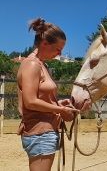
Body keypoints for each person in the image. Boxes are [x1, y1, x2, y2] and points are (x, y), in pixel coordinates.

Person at [17, 17, 79, 171]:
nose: (60, 54)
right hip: (39, 133)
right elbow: (30, 102)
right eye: (58, 49)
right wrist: (60, 110)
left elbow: (38, 100)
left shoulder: (41, 65)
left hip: (44, 132)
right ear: (45, 44)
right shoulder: (31, 64)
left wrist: (58, 104)